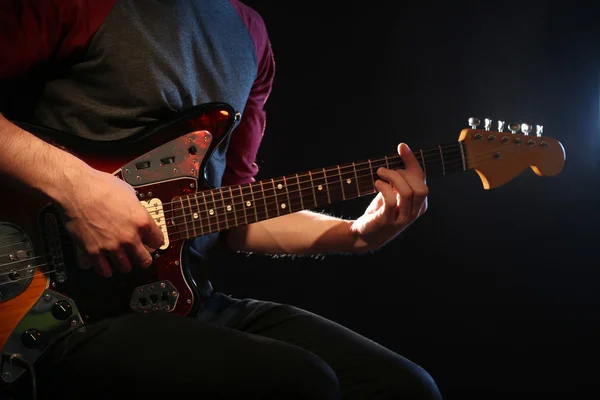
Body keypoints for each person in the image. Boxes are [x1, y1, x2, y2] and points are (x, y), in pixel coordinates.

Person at [0, 0, 442, 399]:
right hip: (48, 307)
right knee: (297, 381)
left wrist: (357, 234)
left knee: (403, 388)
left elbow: (231, 211)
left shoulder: (250, 34)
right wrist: (76, 187)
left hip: (172, 300)